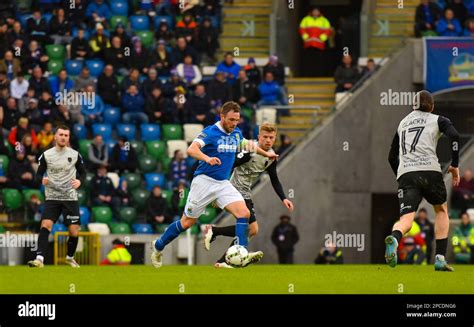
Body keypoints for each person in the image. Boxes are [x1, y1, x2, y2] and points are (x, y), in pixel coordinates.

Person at [150, 101, 278, 268]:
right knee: (187, 223)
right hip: (203, 182)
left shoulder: (236, 133)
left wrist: (267, 154)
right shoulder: (210, 132)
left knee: (244, 214)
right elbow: (191, 149)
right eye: (231, 120)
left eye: (237, 120)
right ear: (222, 117)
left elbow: (248, 145)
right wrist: (207, 158)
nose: (234, 123)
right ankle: (158, 246)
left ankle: (242, 252)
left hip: (223, 184)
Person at [386, 90, 460, 271]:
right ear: (432, 106)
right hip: (430, 171)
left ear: (413, 106)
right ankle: (440, 258)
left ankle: (395, 238)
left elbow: (391, 157)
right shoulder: (437, 119)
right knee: (441, 210)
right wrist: (455, 164)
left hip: (407, 174)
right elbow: (455, 136)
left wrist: (401, 176)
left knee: (406, 219)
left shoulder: (402, 123)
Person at [204, 123, 294, 268]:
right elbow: (230, 164)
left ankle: (220, 252)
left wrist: (284, 198)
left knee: (251, 230)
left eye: (271, 137)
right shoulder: (250, 149)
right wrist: (218, 190)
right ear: (259, 137)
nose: (268, 140)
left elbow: (274, 179)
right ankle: (225, 257)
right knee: (251, 228)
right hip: (233, 190)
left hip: (245, 193)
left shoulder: (270, 157)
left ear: (275, 138)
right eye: (265, 137)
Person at [28, 125, 86, 268]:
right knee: (45, 225)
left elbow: (83, 173)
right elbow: (38, 175)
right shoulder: (47, 155)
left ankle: (70, 257)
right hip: (52, 197)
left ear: (68, 138)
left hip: (70, 198)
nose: (63, 137)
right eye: (61, 134)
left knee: (73, 230)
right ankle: (39, 259)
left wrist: (80, 181)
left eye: (66, 135)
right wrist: (42, 180)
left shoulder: (75, 155)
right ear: (55, 137)